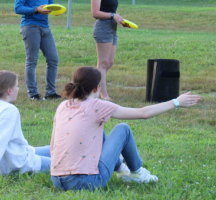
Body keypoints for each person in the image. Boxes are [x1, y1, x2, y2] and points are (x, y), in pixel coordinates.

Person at [50, 66, 201, 191]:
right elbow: (144, 113)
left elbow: (52, 147)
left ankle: (121, 170)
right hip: (85, 182)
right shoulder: (96, 106)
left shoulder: (63, 106)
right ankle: (137, 173)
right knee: (123, 129)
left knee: (97, 128)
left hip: (56, 179)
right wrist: (176, 102)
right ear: (97, 88)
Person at [14, 0, 60, 101]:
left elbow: (50, 3)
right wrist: (35, 10)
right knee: (32, 60)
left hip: (45, 27)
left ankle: (50, 93)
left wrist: (55, 11)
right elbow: (18, 8)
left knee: (53, 59)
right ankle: (33, 94)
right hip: (30, 26)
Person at [90, 0, 128, 100]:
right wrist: (113, 15)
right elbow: (95, 12)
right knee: (103, 63)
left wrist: (121, 20)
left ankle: (92, 84)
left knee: (109, 62)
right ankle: (103, 94)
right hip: (102, 28)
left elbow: (112, 10)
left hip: (112, 27)